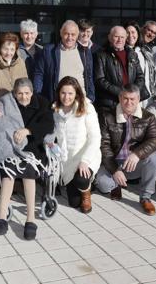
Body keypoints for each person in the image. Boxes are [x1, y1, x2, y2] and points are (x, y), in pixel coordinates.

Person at [0, 78, 54, 240]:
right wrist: (12, 135)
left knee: (28, 172)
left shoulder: (42, 103)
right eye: (19, 94)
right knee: (8, 170)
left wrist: (28, 131)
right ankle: (2, 217)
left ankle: (30, 219)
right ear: (14, 93)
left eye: (27, 93)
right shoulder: (6, 102)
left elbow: (48, 125)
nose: (23, 97)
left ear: (32, 92)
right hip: (9, 147)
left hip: (33, 148)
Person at [95, 85, 156, 216]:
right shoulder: (107, 116)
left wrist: (137, 154)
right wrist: (115, 169)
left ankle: (145, 197)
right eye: (125, 98)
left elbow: (154, 140)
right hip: (114, 161)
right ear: (120, 98)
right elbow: (104, 146)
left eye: (132, 99)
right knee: (103, 184)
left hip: (133, 162)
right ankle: (116, 185)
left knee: (154, 159)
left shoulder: (148, 117)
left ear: (138, 99)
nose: (129, 102)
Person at [50, 76, 101, 213]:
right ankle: (77, 184)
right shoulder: (55, 110)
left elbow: (95, 137)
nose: (66, 97)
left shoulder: (87, 107)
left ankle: (87, 191)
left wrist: (85, 161)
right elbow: (54, 135)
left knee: (81, 180)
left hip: (85, 156)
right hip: (67, 159)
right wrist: (50, 144)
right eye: (63, 93)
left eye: (70, 93)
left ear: (76, 93)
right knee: (73, 203)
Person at [33, 20, 95, 102]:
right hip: (57, 102)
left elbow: (89, 76)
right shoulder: (49, 51)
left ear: (77, 35)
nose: (69, 38)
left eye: (73, 34)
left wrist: (90, 98)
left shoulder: (84, 52)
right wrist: (39, 97)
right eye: (66, 34)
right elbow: (39, 74)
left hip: (80, 101)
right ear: (61, 33)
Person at [94, 25, 147, 111]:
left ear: (126, 38)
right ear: (110, 37)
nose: (119, 40)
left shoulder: (132, 54)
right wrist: (121, 92)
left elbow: (140, 76)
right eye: (116, 36)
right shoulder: (101, 55)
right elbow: (100, 80)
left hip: (131, 102)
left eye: (122, 37)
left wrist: (132, 93)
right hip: (110, 103)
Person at [0, 33, 28, 118]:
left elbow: (26, 86)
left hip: (19, 109)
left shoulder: (20, 63)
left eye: (12, 49)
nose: (9, 53)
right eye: (5, 49)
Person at [126, 21, 156, 105]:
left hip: (148, 95)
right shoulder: (130, 50)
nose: (151, 34)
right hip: (133, 94)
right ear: (142, 29)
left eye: (154, 33)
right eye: (150, 30)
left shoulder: (148, 50)